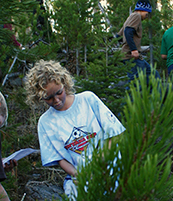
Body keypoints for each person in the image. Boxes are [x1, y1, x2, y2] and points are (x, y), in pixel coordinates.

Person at [25, 60, 125, 199]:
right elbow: (59, 158)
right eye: (48, 98)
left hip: (113, 170)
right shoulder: (45, 122)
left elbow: (114, 134)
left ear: (64, 83)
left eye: (59, 93)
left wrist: (99, 165)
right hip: (82, 179)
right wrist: (80, 174)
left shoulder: (88, 100)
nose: (56, 100)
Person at [118, 0, 160, 85]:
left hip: (133, 56)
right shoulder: (136, 16)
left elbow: (119, 36)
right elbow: (128, 31)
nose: (147, 16)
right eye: (147, 13)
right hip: (132, 56)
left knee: (152, 74)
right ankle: (132, 98)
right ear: (142, 9)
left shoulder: (130, 18)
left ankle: (149, 97)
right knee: (136, 83)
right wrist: (133, 49)